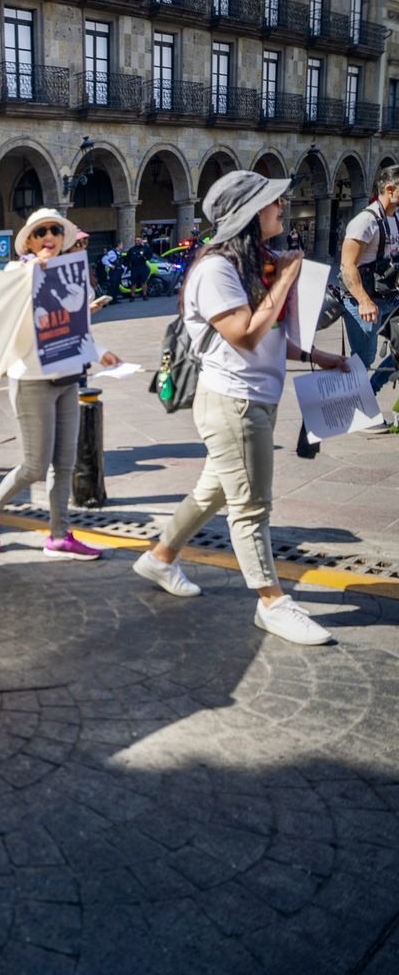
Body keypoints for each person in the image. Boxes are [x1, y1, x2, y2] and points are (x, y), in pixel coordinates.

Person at [133, 171, 349, 645]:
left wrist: (318, 356)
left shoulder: (253, 265)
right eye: (274, 201)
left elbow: (269, 337)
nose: (283, 205)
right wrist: (288, 276)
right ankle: (272, 602)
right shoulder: (215, 270)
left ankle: (160, 557)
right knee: (251, 506)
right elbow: (245, 333)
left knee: (213, 491)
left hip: (255, 399)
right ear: (250, 215)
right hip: (232, 403)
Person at [0, 208, 120, 560]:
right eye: (40, 232)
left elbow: (75, 325)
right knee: (34, 466)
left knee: (64, 464)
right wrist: (29, 276)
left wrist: (100, 351)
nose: (48, 236)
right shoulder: (15, 273)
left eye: (55, 230)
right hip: (32, 380)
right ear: (29, 241)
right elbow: (4, 315)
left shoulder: (72, 276)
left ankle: (58, 535)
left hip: (68, 376)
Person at [338, 165, 399, 397]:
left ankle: (369, 391)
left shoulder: (396, 218)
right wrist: (363, 300)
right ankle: (355, 409)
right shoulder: (365, 221)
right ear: (391, 189)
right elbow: (347, 266)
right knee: (363, 359)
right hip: (362, 300)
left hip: (389, 298)